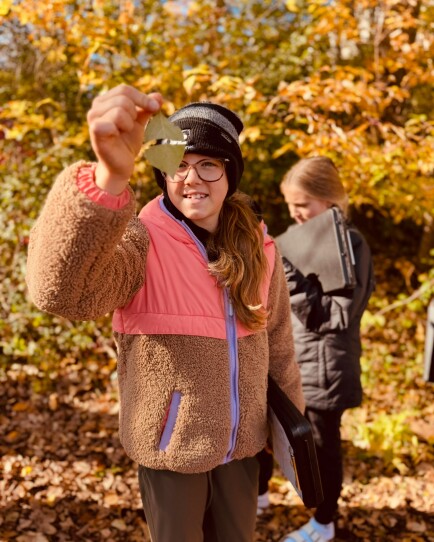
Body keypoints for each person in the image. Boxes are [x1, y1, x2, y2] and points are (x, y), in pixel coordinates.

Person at [26, 84, 304, 542]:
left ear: (230, 173)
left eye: (208, 165)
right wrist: (109, 179)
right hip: (170, 449)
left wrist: (292, 440)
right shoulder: (140, 241)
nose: (191, 178)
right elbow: (61, 293)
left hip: (243, 450)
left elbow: (279, 348)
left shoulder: (260, 247)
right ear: (163, 174)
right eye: (179, 165)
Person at [258, 156, 375, 541]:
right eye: (291, 206)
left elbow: (335, 317)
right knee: (268, 430)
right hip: (293, 361)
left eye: (303, 204)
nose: (296, 214)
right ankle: (258, 495)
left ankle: (325, 523)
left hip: (327, 368)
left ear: (330, 200)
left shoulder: (351, 245)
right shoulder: (299, 237)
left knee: (324, 446)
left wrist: (288, 280)